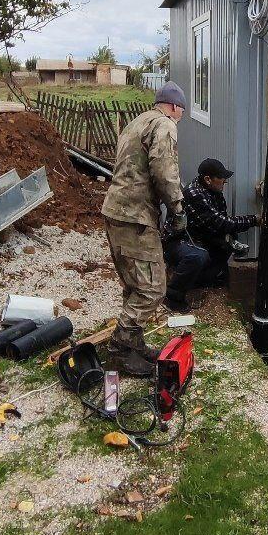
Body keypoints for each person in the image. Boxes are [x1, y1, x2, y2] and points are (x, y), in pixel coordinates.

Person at [102, 80, 188, 375]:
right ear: (175, 107)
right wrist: (177, 208)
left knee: (135, 285)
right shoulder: (165, 125)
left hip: (115, 210)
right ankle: (120, 347)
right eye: (181, 113)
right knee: (153, 288)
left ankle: (134, 345)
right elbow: (164, 170)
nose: (180, 118)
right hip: (135, 217)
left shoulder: (137, 122)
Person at [163, 158, 259, 310]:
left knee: (228, 244)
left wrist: (230, 240)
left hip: (198, 236)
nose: (224, 183)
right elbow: (220, 222)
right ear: (208, 179)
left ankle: (200, 281)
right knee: (197, 256)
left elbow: (222, 222)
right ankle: (173, 296)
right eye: (222, 179)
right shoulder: (194, 194)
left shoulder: (214, 192)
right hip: (177, 242)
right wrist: (255, 220)